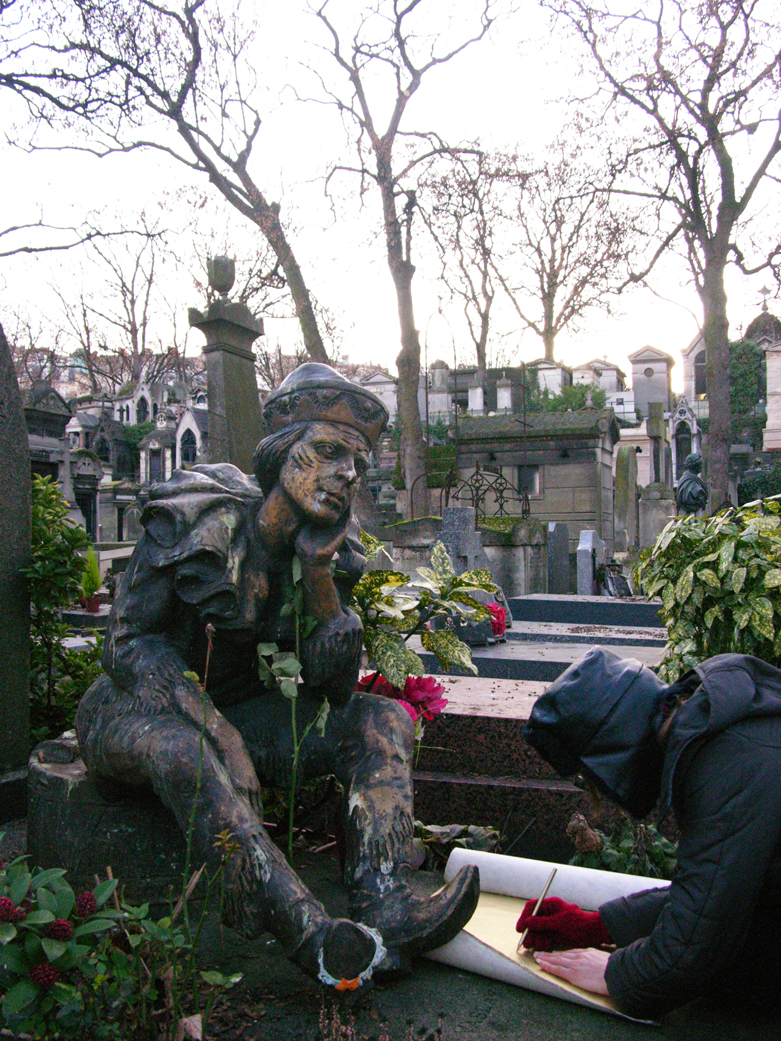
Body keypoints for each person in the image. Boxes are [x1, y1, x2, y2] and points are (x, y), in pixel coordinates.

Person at [75, 363, 478, 989]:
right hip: (137, 712)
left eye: (357, 465)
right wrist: (221, 736)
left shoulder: (332, 551)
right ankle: (310, 934)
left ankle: (386, 903)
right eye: (326, 452)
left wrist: (320, 585)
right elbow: (128, 645)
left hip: (239, 718)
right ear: (281, 455)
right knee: (187, 751)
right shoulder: (196, 519)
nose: (344, 475)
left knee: (383, 718)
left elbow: (336, 692)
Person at [518, 647, 781, 1019]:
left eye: (593, 781)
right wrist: (602, 925)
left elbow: (691, 951)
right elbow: (720, 889)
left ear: (615, 751)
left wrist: (614, 973)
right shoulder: (723, 726)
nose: (606, 798)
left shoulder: (729, 764)